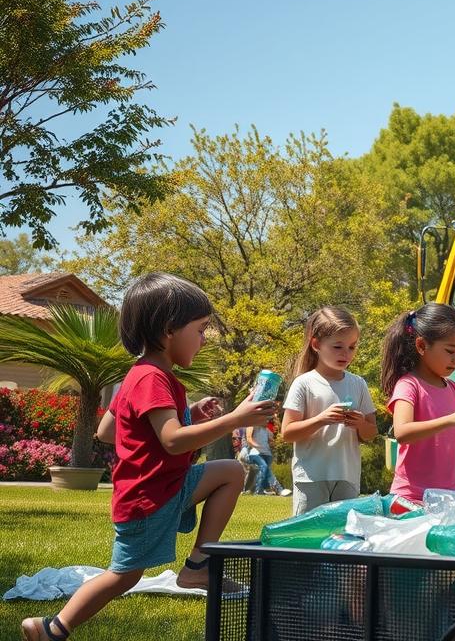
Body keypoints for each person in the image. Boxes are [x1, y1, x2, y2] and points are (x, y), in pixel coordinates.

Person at [21, 272, 275, 641]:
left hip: (167, 486)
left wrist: (189, 412)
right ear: (169, 329)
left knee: (230, 471)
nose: (204, 340)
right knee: (124, 575)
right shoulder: (151, 378)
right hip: (148, 498)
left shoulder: (142, 376)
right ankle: (52, 628)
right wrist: (236, 418)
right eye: (200, 329)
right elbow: (172, 441)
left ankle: (198, 566)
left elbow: (108, 430)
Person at [381, 303, 455, 502]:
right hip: (413, 498)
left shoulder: (453, 389)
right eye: (450, 351)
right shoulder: (409, 385)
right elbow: (402, 433)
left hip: (452, 494)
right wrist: (452, 420)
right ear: (421, 346)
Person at [281, 306, 376, 513]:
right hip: (311, 476)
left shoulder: (358, 384)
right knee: (307, 537)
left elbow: (371, 433)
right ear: (316, 344)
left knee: (342, 538)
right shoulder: (304, 383)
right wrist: (321, 419)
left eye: (352, 347)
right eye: (337, 347)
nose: (346, 354)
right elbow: (287, 433)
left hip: (347, 476)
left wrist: (360, 424)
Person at [244, 421, 289, 496]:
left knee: (264, 472)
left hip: (266, 454)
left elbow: (270, 441)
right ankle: (277, 489)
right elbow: (249, 439)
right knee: (264, 467)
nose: (267, 421)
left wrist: (278, 442)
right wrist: (258, 446)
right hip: (255, 453)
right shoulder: (251, 425)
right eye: (265, 419)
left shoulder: (266, 430)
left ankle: (255, 490)